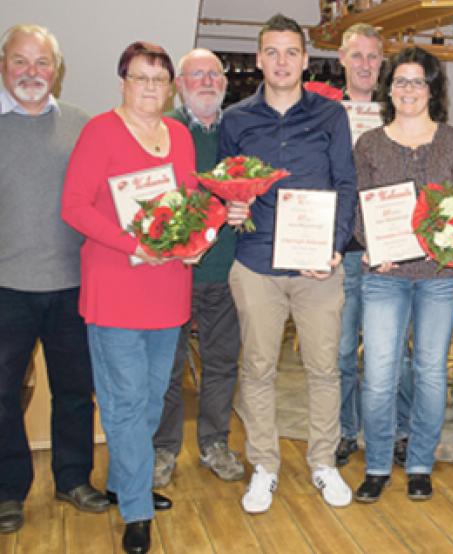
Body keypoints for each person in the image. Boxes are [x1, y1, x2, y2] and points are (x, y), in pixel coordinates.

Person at [60, 41, 212, 554]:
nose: (150, 87)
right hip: (116, 289)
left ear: (170, 88)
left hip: (168, 290)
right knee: (125, 403)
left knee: (149, 401)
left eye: (159, 79)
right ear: (122, 81)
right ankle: (137, 510)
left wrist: (197, 240)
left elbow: (189, 203)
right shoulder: (98, 131)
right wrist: (134, 245)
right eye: (140, 77)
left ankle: (127, 479)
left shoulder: (178, 136)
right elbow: (75, 207)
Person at [221, 13, 357, 514]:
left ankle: (323, 463)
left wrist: (337, 246)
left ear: (305, 59)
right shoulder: (236, 120)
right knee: (257, 369)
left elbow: (346, 185)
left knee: (324, 369)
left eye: (291, 52)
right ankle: (265, 466)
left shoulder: (331, 116)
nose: (281, 61)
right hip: (256, 266)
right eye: (272, 52)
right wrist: (230, 209)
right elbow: (225, 188)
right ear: (259, 59)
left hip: (317, 268)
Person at [352, 46, 453, 503]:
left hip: (442, 275)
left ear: (432, 89)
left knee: (429, 371)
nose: (408, 90)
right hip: (384, 273)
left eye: (417, 81)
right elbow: (357, 206)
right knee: (380, 373)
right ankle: (379, 464)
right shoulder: (368, 144)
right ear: (389, 89)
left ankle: (420, 462)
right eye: (400, 81)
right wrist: (373, 245)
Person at [0, 23, 109, 535]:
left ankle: (73, 478)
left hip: (71, 285)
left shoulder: (84, 128)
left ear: (57, 71)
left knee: (74, 391)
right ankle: (7, 490)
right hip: (5, 290)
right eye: (20, 61)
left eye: (42, 63)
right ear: (4, 64)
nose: (31, 73)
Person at [151, 48, 245, 488]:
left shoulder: (239, 131)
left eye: (214, 74)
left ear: (224, 82)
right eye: (196, 75)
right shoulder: (163, 131)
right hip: (174, 273)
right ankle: (163, 449)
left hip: (227, 272)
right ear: (180, 85)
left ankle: (214, 443)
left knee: (223, 364)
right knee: (167, 367)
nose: (206, 81)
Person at [333, 23, 415, 469]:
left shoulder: (400, 110)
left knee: (395, 351)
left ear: (381, 63)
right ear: (342, 59)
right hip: (343, 248)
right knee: (344, 350)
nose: (365, 64)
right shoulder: (325, 113)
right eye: (357, 56)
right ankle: (347, 430)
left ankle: (401, 432)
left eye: (372, 57)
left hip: (389, 249)